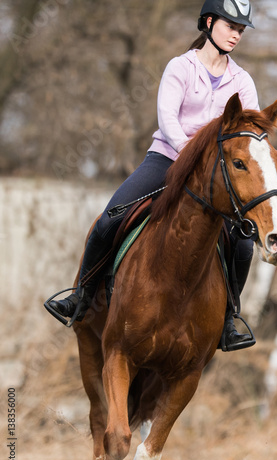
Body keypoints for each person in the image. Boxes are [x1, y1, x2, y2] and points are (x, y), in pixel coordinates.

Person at [47, 0, 258, 351]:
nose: (236, 34)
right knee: (108, 220)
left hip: (214, 175)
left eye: (241, 29)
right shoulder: (180, 67)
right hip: (166, 158)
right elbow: (168, 120)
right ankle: (80, 296)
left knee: (245, 244)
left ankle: (227, 320)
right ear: (208, 22)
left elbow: (247, 132)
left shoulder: (243, 81)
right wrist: (190, 158)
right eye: (230, 25)